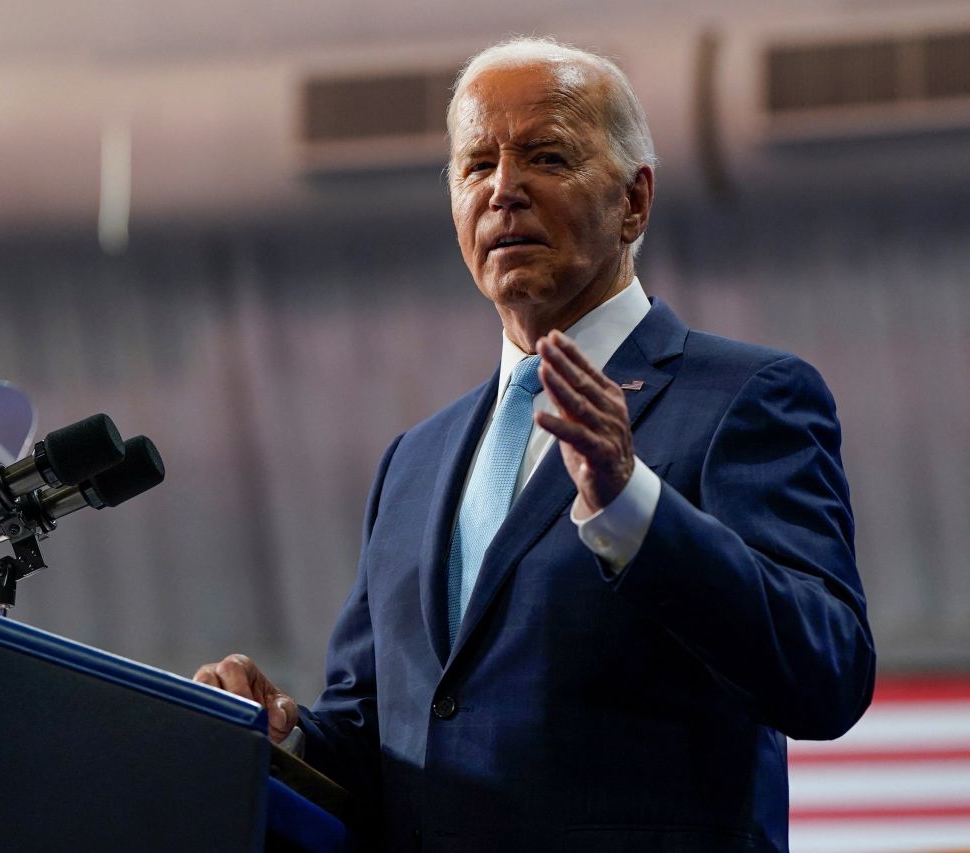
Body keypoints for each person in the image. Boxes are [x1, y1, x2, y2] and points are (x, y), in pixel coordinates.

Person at [195, 36, 873, 852]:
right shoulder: (413, 462)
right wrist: (287, 736)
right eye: (476, 165)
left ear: (634, 201)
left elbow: (827, 673)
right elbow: (385, 735)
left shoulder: (746, 398)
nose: (504, 189)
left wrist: (635, 507)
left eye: (545, 157)